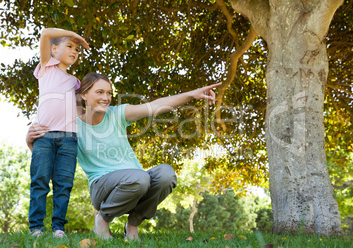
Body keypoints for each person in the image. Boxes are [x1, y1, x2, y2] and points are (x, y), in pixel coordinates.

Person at [27, 72, 221, 240]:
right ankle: (103, 219)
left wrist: (191, 95)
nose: (106, 97)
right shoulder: (71, 126)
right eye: (100, 92)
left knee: (166, 174)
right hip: (102, 188)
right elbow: (52, 172)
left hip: (137, 182)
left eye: (109, 93)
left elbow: (155, 106)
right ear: (84, 94)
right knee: (140, 178)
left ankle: (133, 225)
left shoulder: (117, 114)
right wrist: (30, 142)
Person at [28, 28, 89, 238]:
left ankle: (58, 228)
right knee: (40, 181)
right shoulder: (47, 67)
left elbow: (81, 112)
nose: (75, 50)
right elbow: (45, 33)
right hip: (44, 136)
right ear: (54, 49)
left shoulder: (75, 82)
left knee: (64, 184)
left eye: (77, 49)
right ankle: (36, 227)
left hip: (68, 139)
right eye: (70, 46)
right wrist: (76, 35)